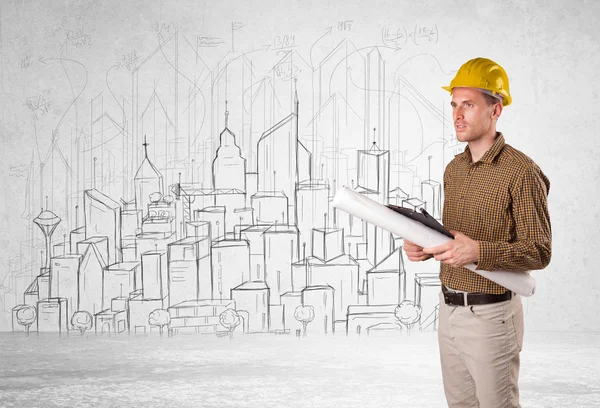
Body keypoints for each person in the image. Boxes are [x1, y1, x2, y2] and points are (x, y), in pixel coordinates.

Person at [403, 57, 551, 408]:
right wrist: (425, 245)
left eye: (468, 105)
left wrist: (480, 252)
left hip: (492, 318)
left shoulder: (522, 172)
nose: (457, 115)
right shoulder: (454, 168)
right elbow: (455, 240)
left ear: (495, 109)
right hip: (448, 310)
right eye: (454, 105)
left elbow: (540, 250)